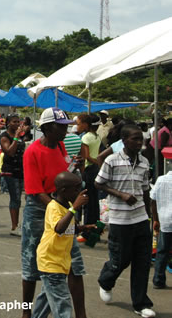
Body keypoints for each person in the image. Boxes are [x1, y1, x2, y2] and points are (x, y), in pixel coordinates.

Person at [21, 107, 87, 318]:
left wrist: (74, 168)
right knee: (32, 263)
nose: (65, 132)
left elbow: (61, 176)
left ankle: (81, 314)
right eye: (61, 127)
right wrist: (60, 210)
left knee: (72, 260)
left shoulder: (60, 146)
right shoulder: (32, 151)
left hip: (61, 205)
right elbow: (35, 190)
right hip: (41, 207)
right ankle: (26, 312)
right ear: (48, 128)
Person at [95, 124, 155, 318]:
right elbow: (98, 183)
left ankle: (140, 303)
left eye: (141, 139)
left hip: (140, 219)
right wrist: (120, 194)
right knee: (121, 259)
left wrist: (150, 216)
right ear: (124, 140)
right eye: (135, 139)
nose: (140, 143)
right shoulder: (112, 160)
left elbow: (145, 190)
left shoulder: (145, 162)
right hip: (120, 220)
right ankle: (106, 280)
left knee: (142, 261)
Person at [32, 172, 95, 318]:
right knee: (62, 305)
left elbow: (66, 229)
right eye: (76, 189)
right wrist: (74, 209)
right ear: (63, 190)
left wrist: (83, 228)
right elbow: (59, 228)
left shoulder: (67, 205)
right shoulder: (53, 207)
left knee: (46, 300)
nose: (79, 193)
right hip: (51, 262)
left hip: (60, 262)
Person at [75, 113, 101, 243]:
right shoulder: (96, 136)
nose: (77, 126)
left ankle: (86, 232)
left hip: (88, 170)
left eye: (78, 124)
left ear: (86, 124)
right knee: (94, 202)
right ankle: (95, 230)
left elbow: (86, 157)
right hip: (96, 170)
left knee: (86, 201)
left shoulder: (85, 138)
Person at [0, 114, 27, 236]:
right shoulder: (4, 137)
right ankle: (14, 226)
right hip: (10, 171)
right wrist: (16, 137)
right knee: (15, 198)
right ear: (8, 123)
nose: (17, 124)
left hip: (20, 170)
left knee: (19, 198)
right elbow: (10, 152)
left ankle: (18, 225)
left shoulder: (20, 136)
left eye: (18, 122)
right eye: (14, 122)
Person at [152, 170, 172, 290]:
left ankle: (158, 280)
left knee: (162, 251)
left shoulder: (160, 180)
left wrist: (156, 219)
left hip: (165, 220)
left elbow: (153, 201)